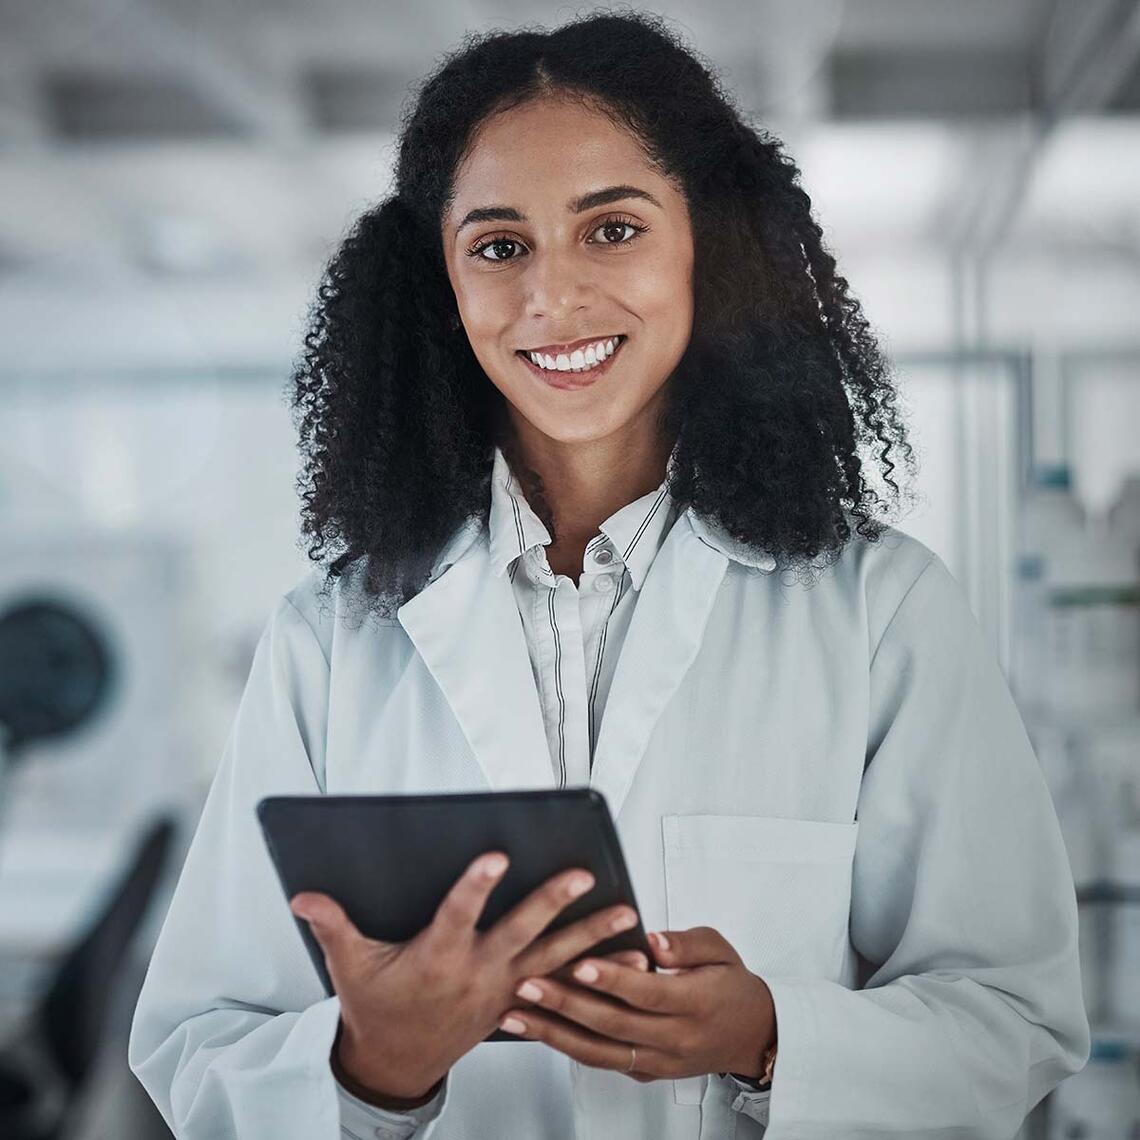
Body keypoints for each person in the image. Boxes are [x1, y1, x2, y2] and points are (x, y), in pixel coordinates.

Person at [128, 10, 1090, 1139]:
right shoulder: (332, 637)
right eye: (498, 245)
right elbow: (197, 1046)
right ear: (443, 281)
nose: (552, 297)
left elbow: (1013, 1018)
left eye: (613, 229)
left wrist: (771, 1038)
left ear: (708, 247)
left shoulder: (883, 611)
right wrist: (368, 1068)